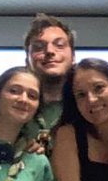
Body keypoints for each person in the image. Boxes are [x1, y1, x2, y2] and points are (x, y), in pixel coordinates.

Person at [23, 13, 76, 147]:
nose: (50, 51)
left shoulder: (88, 105)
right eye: (39, 47)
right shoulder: (9, 107)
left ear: (73, 57)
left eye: (59, 45)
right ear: (27, 60)